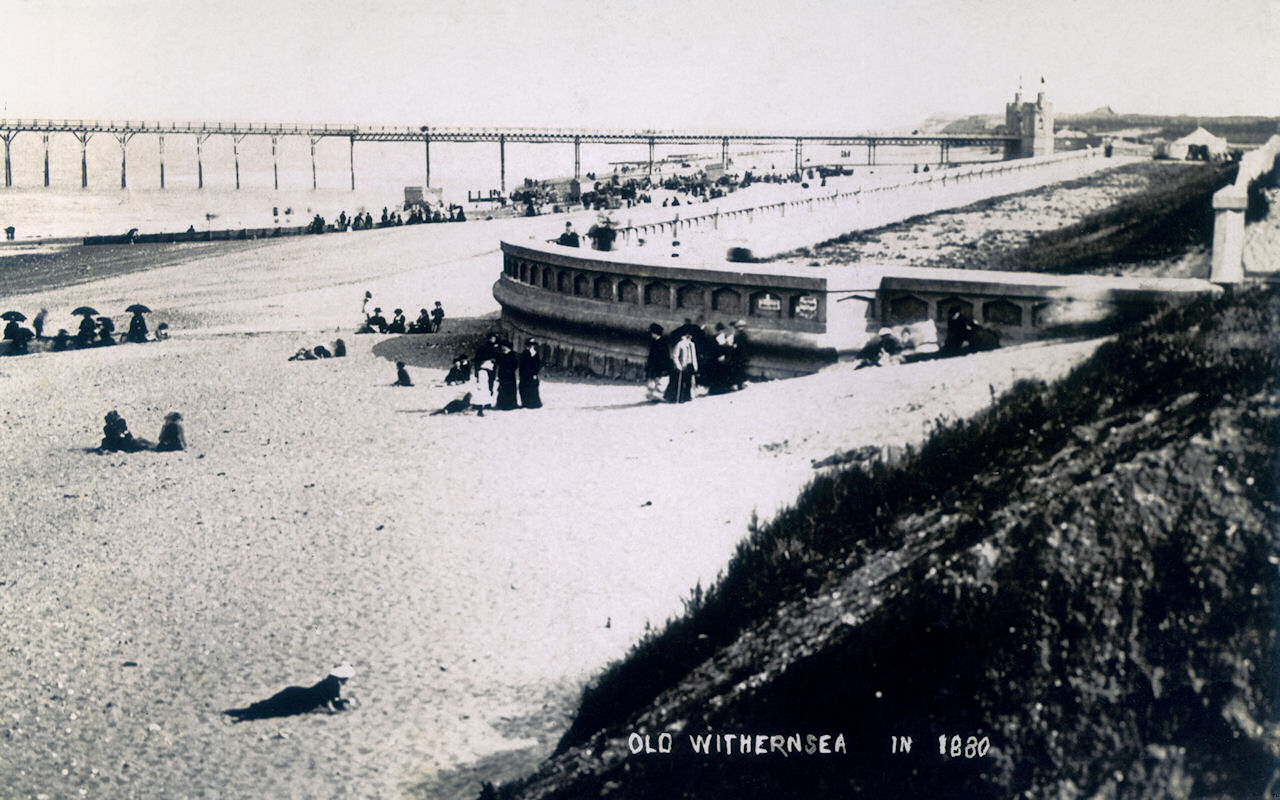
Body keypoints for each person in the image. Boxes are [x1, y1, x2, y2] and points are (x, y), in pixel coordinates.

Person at [224, 663, 356, 722]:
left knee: (269, 705)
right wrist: (338, 709)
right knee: (273, 711)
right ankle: (244, 716)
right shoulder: (334, 685)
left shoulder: (329, 681)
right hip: (301, 701)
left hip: (296, 693)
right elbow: (331, 704)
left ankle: (240, 712)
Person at [644, 323, 672, 402]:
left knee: (659, 381)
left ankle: (657, 397)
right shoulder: (654, 341)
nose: (651, 334)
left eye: (652, 332)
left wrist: (662, 367)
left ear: (655, 333)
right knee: (652, 381)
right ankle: (653, 396)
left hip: (659, 366)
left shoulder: (662, 343)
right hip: (654, 366)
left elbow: (665, 357)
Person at [672, 330, 698, 403]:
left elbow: (694, 356)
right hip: (683, 365)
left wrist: (695, 365)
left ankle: (687, 396)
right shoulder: (680, 344)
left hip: (690, 365)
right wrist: (678, 366)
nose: (690, 337)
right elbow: (675, 356)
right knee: (681, 382)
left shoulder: (692, 344)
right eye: (688, 336)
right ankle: (680, 398)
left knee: (689, 382)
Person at [494, 341, 519, 410]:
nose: (502, 348)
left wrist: (509, 369)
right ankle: (501, 404)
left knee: (510, 389)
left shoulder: (512, 354)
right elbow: (499, 364)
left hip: (510, 375)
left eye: (504, 346)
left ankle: (510, 405)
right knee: (502, 389)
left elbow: (515, 365)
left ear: (507, 347)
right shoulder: (502, 355)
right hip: (503, 375)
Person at [518, 339, 542, 409]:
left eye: (532, 345)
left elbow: (538, 365)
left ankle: (533, 404)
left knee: (533, 389)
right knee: (524, 389)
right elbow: (521, 365)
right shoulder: (524, 353)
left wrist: (535, 373)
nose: (531, 346)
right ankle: (525, 403)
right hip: (525, 374)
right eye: (529, 345)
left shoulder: (536, 354)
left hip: (532, 374)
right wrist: (521, 374)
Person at [728, 319, 751, 390]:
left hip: (738, 356)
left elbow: (736, 346)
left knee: (738, 370)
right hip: (742, 356)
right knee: (740, 370)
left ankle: (738, 384)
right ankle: (739, 384)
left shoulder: (738, 336)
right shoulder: (744, 336)